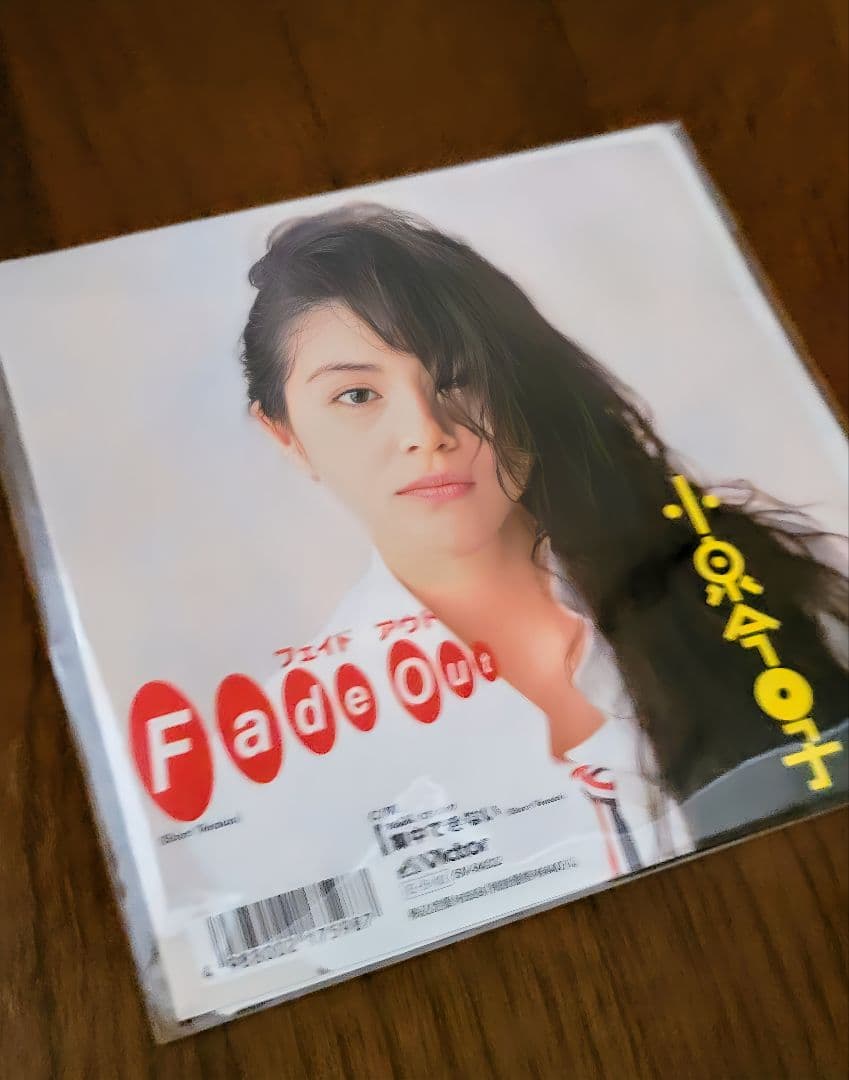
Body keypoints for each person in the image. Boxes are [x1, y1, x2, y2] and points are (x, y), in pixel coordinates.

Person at [240, 202, 848, 861]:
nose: (426, 433)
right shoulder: (300, 748)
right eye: (357, 395)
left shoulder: (733, 568)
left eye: (459, 378)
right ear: (285, 436)